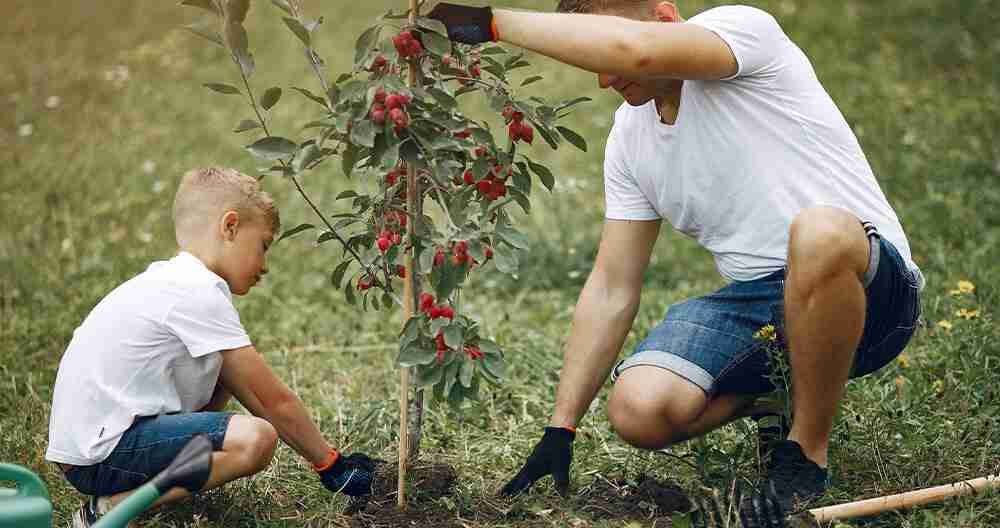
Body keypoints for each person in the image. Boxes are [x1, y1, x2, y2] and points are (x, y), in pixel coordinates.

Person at [428, 0, 924, 515]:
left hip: (871, 291)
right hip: (760, 308)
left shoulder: (742, 32)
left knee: (818, 231)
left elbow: (635, 51)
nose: (603, 79)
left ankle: (804, 452)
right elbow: (612, 286)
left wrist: (490, 23)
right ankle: (778, 393)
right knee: (639, 411)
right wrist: (561, 426)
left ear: (664, 17)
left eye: (600, 44)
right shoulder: (629, 140)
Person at [46, 167, 375, 527]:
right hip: (102, 454)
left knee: (224, 373)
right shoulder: (197, 291)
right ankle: (109, 509)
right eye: (263, 245)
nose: (264, 265)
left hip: (90, 446)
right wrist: (330, 464)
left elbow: (243, 388)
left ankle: (134, 491)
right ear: (230, 227)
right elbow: (272, 402)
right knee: (255, 439)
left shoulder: (170, 281)